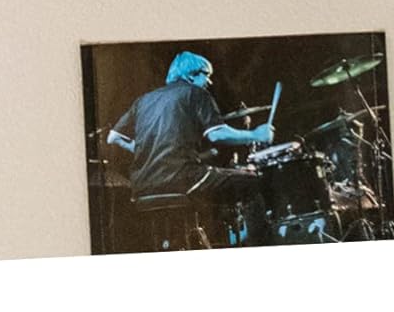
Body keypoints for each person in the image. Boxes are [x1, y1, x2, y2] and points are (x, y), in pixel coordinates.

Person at [107, 51, 274, 247]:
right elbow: (216, 134)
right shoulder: (195, 93)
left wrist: (145, 150)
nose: (209, 82)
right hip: (182, 179)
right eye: (207, 75)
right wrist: (256, 134)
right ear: (191, 74)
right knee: (251, 181)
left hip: (142, 188)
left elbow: (113, 137)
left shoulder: (144, 100)